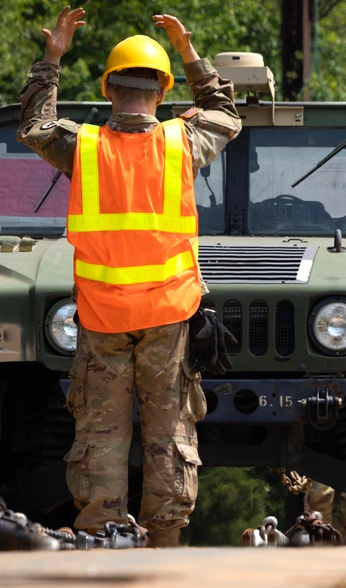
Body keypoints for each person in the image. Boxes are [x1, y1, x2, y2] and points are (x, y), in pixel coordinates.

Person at [17, 7, 242, 547]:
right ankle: (165, 541)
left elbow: (33, 126)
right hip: (169, 313)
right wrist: (190, 52)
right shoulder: (181, 143)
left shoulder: (84, 148)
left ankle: (102, 540)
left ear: (110, 89)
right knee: (169, 433)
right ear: (161, 91)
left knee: (101, 432)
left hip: (102, 316)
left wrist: (52, 58)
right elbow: (225, 112)